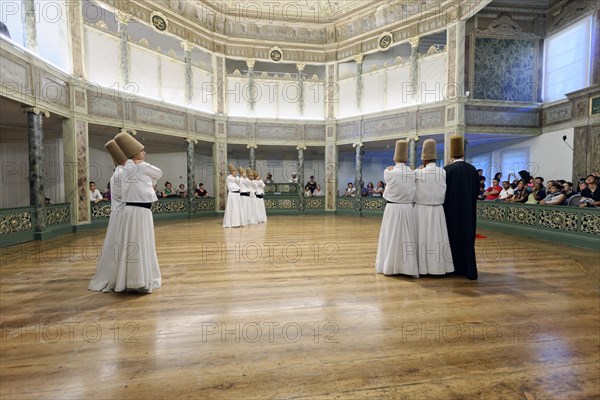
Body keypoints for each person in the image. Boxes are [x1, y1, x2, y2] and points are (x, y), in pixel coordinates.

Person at [112, 131, 163, 293]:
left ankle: (131, 279)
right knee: (142, 245)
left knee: (132, 246)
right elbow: (158, 173)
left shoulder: (126, 167)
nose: (144, 153)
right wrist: (150, 179)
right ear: (135, 154)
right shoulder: (140, 166)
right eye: (142, 151)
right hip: (140, 211)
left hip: (132, 210)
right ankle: (139, 280)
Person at [88, 140, 128, 292]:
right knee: (120, 245)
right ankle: (118, 275)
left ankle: (119, 273)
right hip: (122, 214)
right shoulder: (122, 173)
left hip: (118, 214)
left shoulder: (117, 173)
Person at [375, 140, 418, 277]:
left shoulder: (389, 172)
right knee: (407, 237)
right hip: (407, 208)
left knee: (390, 236)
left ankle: (389, 265)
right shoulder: (412, 173)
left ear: (395, 158)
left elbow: (388, 174)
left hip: (392, 208)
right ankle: (407, 267)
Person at [414, 139, 454, 276]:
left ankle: (422, 267)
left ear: (424, 160)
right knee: (437, 238)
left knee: (421, 238)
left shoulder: (418, 173)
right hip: (438, 210)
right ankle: (438, 267)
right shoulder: (442, 172)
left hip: (420, 209)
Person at [443, 136, 479, 280]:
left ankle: (453, 268)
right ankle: (468, 270)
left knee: (451, 239)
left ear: (451, 155)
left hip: (450, 212)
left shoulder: (446, 170)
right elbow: (476, 191)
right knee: (467, 239)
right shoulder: (472, 169)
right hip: (468, 212)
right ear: (462, 154)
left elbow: (442, 192)